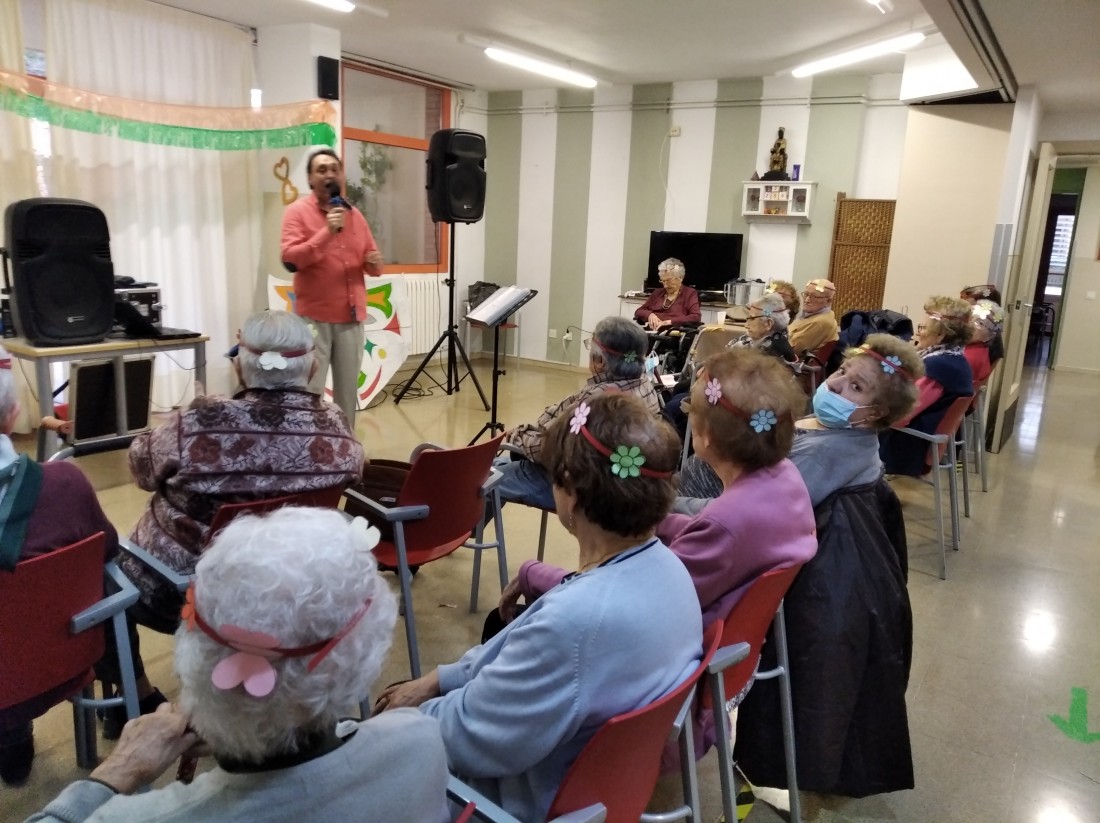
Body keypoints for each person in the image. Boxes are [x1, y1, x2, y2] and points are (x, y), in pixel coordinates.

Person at [374, 394, 703, 822]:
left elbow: (471, 740)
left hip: (508, 802)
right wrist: (443, 678)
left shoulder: (576, 621)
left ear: (571, 494)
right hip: (594, 786)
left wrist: (393, 727)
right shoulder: (669, 571)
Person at [29, 508, 450, 823]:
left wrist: (115, 774)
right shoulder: (419, 741)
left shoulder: (132, 817)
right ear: (362, 659)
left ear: (193, 647)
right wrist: (248, 729)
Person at [503, 351, 815, 765]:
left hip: (661, 689)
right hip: (722, 658)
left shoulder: (727, 523)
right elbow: (706, 531)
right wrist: (658, 517)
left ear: (705, 436)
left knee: (513, 629)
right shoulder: (783, 480)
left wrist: (534, 573)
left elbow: (628, 603)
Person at [113, 311, 364, 733]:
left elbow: (141, 469)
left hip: (185, 595)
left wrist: (191, 418)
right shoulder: (338, 428)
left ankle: (135, 695)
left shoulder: (196, 424)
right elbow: (355, 471)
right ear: (313, 367)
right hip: (294, 594)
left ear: (238, 366)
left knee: (101, 576)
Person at [0, 347, 120, 786]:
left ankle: (12, 739)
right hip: (61, 663)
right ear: (13, 415)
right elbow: (109, 549)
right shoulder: (67, 483)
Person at [679, 334, 925, 509]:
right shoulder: (831, 426)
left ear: (875, 413)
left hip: (704, 516)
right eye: (842, 371)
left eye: (856, 386)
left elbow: (748, 513)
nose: (834, 384)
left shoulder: (824, 456)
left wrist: (673, 506)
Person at [497, 316, 660, 511]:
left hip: (577, 486)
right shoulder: (646, 385)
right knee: (491, 466)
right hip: (619, 485)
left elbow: (551, 451)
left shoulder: (598, 400)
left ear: (600, 361)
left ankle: (466, 526)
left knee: (479, 479)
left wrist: (518, 436)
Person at [280, 148, 385, 422]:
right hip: (313, 320)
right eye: (322, 169)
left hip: (351, 317)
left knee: (347, 393)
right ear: (310, 179)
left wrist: (374, 263)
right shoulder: (297, 213)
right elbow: (290, 259)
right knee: (310, 390)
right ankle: (309, 442)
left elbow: (373, 262)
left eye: (335, 169)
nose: (330, 174)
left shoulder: (355, 215)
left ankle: (344, 442)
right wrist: (326, 231)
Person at [879, 296, 973, 476]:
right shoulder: (955, 360)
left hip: (906, 447)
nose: (917, 333)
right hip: (916, 442)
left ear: (940, 335)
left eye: (923, 328)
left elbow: (902, 416)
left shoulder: (938, 367)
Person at [634, 257, 702, 331]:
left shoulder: (689, 293)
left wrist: (668, 322)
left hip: (672, 333)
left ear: (680, 278)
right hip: (652, 332)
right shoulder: (657, 293)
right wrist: (650, 315)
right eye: (663, 281)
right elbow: (639, 311)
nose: (665, 285)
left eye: (669, 280)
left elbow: (695, 317)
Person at [728, 291, 796, 362]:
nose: (746, 325)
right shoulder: (764, 337)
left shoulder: (770, 354)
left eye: (752, 319)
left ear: (768, 324)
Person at [787, 278, 839, 356]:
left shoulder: (820, 322)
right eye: (806, 294)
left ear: (828, 301)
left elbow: (790, 350)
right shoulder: (812, 316)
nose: (807, 300)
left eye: (815, 297)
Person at [964, 298, 1005, 384]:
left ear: (989, 335)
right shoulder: (979, 350)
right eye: (970, 319)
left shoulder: (968, 357)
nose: (971, 325)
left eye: (980, 323)